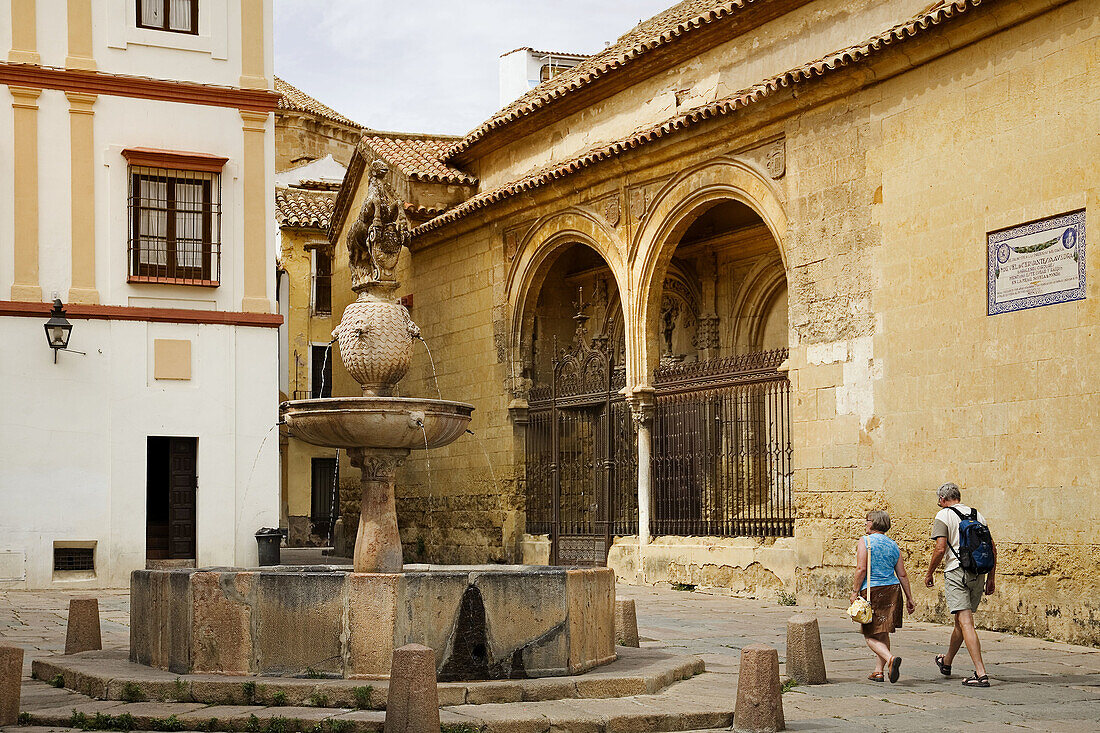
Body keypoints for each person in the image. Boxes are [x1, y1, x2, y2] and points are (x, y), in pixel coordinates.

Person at [924, 482, 996, 688]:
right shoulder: (977, 514)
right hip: (978, 572)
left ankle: (981, 674)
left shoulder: (943, 516)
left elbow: (939, 549)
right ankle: (946, 662)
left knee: (966, 623)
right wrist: (991, 578)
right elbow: (992, 547)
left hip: (956, 572)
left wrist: (929, 572)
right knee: (960, 621)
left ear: (942, 499)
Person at [851, 510, 916, 683]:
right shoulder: (893, 545)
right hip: (893, 589)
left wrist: (854, 592)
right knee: (883, 630)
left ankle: (890, 659)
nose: (865, 523)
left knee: (870, 634)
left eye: (867, 520)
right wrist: (909, 598)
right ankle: (878, 671)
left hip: (872, 590)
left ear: (873, 523)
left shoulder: (865, 541)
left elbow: (861, 569)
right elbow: (902, 574)